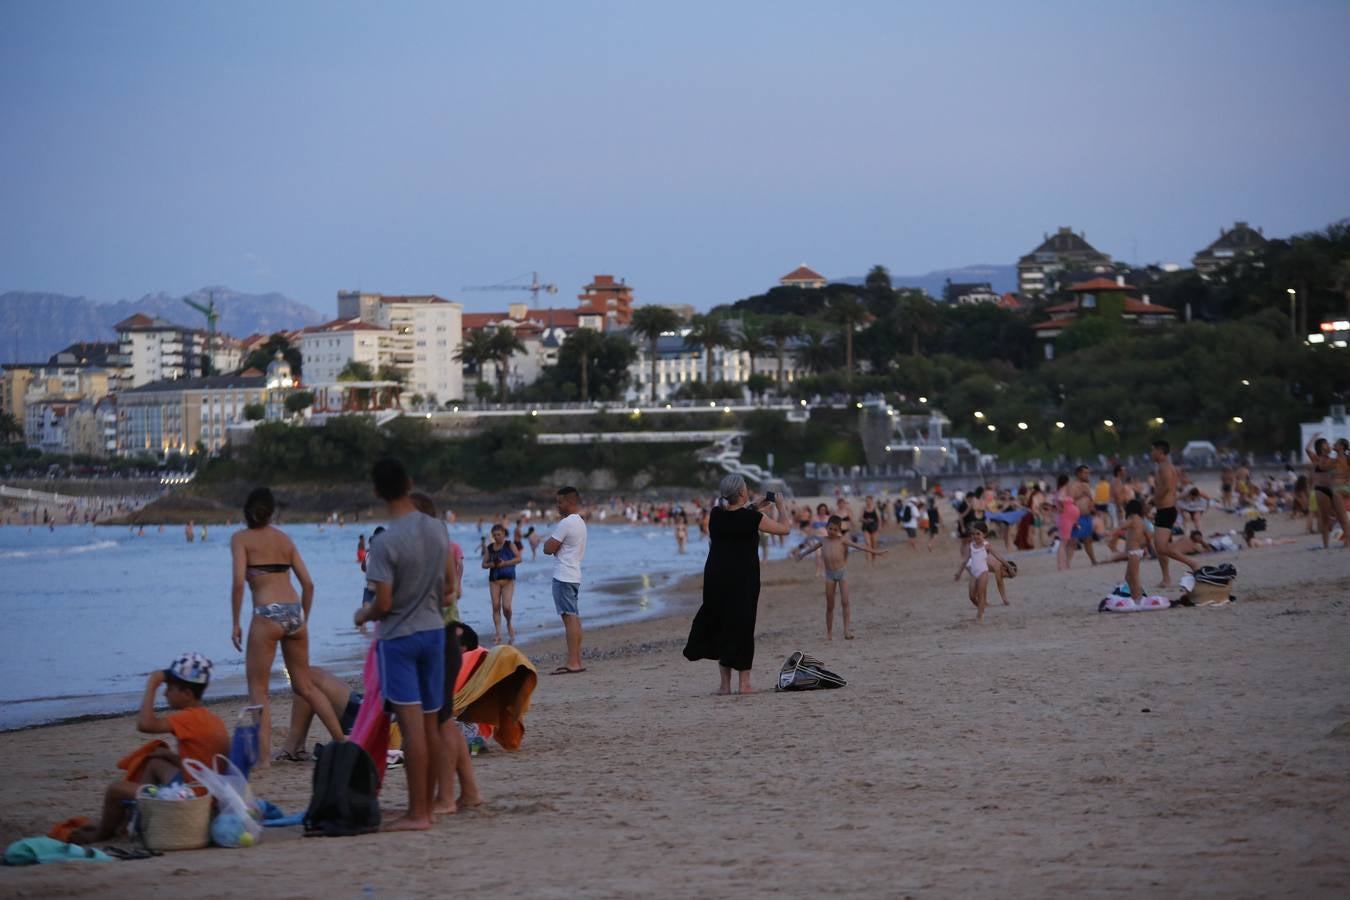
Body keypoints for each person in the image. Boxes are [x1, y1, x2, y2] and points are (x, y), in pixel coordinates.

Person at [354, 457, 453, 831]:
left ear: (377, 491)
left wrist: (362, 616)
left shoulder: (385, 541)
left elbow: (383, 604)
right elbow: (448, 589)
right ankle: (425, 807)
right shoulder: (437, 529)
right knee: (430, 724)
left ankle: (419, 813)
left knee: (411, 728)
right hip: (433, 633)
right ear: (410, 482)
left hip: (400, 640)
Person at [230, 488, 345, 765]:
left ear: (246, 511)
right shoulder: (284, 539)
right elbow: (308, 583)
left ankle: (264, 759)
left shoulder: (240, 539)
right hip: (294, 613)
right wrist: (303, 616)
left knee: (259, 690)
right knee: (304, 687)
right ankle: (343, 743)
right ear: (272, 512)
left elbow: (237, 584)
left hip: (267, 613)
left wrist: (235, 622)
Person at [69, 653, 229, 843]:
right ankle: (138, 814)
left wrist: (152, 683)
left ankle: (101, 834)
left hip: (194, 797)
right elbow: (203, 764)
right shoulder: (209, 718)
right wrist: (170, 757)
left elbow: (145, 724)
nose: (165, 693)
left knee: (115, 790)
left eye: (169, 688)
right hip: (208, 787)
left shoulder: (188, 718)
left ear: (186, 694)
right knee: (155, 761)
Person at [683, 474, 793, 695]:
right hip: (743, 578)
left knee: (723, 624)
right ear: (742, 493)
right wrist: (781, 507)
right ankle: (744, 684)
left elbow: (735, 518)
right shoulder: (752, 520)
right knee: (742, 626)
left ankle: (725, 686)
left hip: (716, 578)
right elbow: (784, 529)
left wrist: (753, 506)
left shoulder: (715, 515)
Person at [792, 514, 887, 640]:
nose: (832, 531)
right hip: (829, 575)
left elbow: (860, 546)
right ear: (827, 527)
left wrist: (876, 552)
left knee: (845, 602)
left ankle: (846, 631)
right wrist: (801, 555)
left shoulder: (842, 540)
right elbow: (811, 549)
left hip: (842, 573)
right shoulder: (823, 540)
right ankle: (829, 633)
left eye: (835, 530)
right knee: (830, 605)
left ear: (839, 530)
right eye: (830, 528)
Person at [543, 485, 589, 675]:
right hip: (574, 574)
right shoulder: (580, 522)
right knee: (574, 618)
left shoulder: (567, 523)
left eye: (560, 502)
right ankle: (576, 659)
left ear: (570, 502)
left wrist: (552, 545)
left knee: (569, 618)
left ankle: (573, 661)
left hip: (563, 575)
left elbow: (547, 548)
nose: (557, 506)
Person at [276, 666, 363, 761]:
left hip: (368, 715)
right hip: (368, 707)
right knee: (306, 675)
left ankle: (293, 746)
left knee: (305, 677)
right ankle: (297, 747)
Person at [1151, 440, 1202, 583]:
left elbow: (1167, 487)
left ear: (1160, 452)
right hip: (1165, 509)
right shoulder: (1164, 466)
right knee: (1159, 545)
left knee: (1161, 547)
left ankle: (1192, 563)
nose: (1151, 453)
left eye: (1153, 450)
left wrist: (1153, 501)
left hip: (1166, 510)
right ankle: (1166, 578)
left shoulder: (1165, 467)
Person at [953, 523, 1008, 624]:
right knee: (972, 597)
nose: (975, 536)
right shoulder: (971, 546)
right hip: (974, 574)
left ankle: (979, 617)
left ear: (984, 534)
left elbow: (998, 556)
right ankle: (981, 608)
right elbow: (965, 560)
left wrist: (1008, 566)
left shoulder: (986, 546)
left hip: (983, 572)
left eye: (978, 534)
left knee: (981, 595)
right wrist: (959, 573)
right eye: (973, 534)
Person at [483, 523, 522, 645]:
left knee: (506, 607)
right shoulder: (490, 548)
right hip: (494, 580)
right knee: (495, 605)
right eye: (494, 535)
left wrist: (505, 563)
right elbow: (484, 564)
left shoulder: (509, 545)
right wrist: (492, 564)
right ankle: (498, 633)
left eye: (498, 534)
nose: (496, 537)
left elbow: (519, 559)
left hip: (508, 580)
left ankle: (509, 623)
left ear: (503, 534)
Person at [1120, 499, 1149, 602]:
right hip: (1136, 552)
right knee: (1128, 577)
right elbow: (1148, 536)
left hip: (1134, 552)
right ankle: (1135, 596)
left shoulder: (1133, 519)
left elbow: (1121, 526)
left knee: (1134, 577)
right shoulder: (1141, 520)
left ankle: (1138, 598)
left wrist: (1109, 533)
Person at [859, 496, 881, 564]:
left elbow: (879, 519)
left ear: (872, 501)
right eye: (866, 501)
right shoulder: (863, 509)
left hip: (874, 527)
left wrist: (880, 527)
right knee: (868, 544)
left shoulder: (875, 509)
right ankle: (868, 560)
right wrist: (866, 520)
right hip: (866, 527)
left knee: (874, 544)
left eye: (869, 500)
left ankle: (873, 559)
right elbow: (860, 519)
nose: (867, 502)